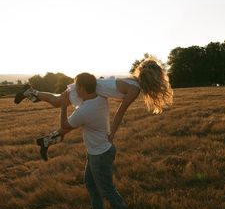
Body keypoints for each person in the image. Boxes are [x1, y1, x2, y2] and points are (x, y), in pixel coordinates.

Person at [15, 56, 173, 145]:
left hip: (90, 85)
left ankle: (53, 133)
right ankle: (32, 96)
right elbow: (120, 114)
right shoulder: (134, 89)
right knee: (58, 102)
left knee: (61, 103)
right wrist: (112, 135)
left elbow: (113, 92)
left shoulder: (131, 81)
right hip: (87, 87)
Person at [57, 72, 129, 209]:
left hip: (99, 154)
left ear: (82, 89)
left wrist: (63, 104)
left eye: (77, 87)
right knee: (91, 184)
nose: (75, 90)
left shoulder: (84, 111)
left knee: (107, 189)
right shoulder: (101, 97)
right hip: (98, 151)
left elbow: (64, 126)